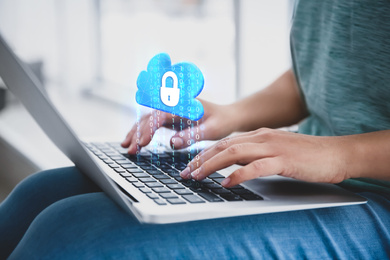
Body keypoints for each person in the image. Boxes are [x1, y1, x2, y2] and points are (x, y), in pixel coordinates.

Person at [1, 0, 390, 259]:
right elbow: (316, 73)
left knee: (76, 237)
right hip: (306, 175)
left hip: (377, 192)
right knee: (36, 195)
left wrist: (341, 155)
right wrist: (230, 115)